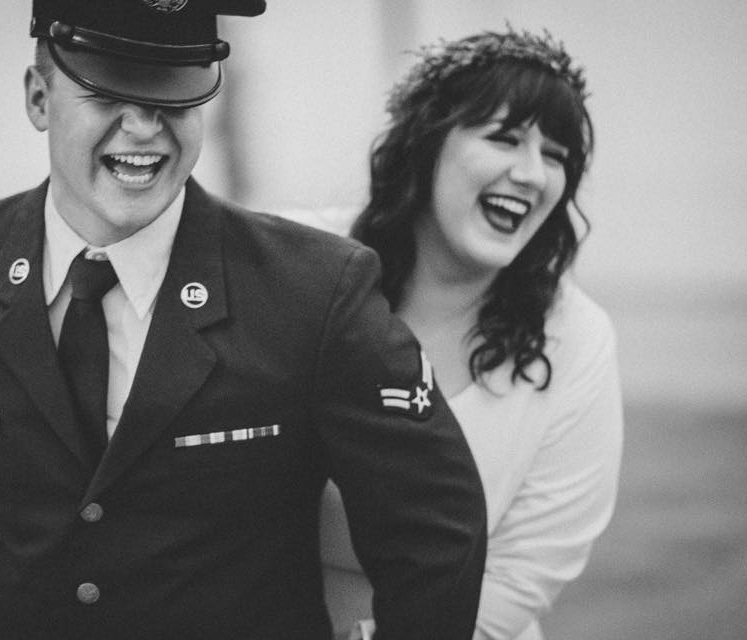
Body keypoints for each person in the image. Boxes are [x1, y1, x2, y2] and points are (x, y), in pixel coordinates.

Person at [0, 2, 487, 639]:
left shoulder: (315, 290)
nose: (144, 129)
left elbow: (434, 529)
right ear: (40, 98)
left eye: (175, 101)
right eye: (107, 95)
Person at [318, 28, 624, 639]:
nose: (534, 174)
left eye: (557, 156)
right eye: (503, 138)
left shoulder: (576, 340)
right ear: (425, 146)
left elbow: (523, 574)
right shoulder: (307, 267)